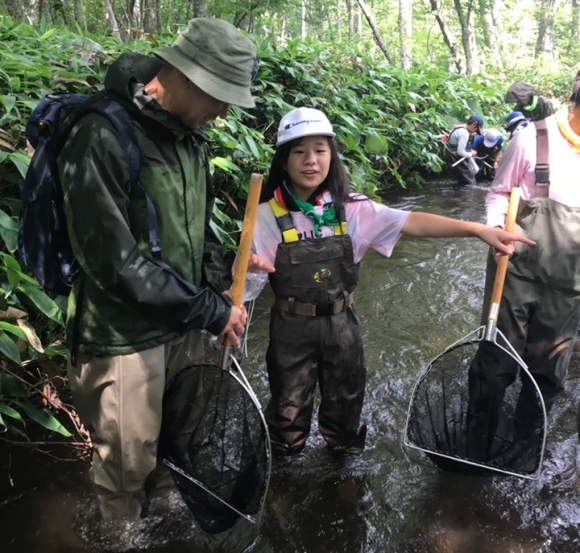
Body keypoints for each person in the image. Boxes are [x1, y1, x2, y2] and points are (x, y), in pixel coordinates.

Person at [57, 18, 260, 520]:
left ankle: (167, 529)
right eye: (220, 97)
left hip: (180, 326)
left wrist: (222, 281)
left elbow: (190, 236)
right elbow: (113, 261)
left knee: (173, 449)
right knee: (126, 468)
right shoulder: (100, 134)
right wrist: (209, 310)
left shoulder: (190, 140)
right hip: (121, 338)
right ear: (187, 78)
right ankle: (122, 537)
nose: (224, 111)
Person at [250, 106, 534, 457]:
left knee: (346, 414)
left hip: (342, 325)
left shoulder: (352, 208)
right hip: (289, 328)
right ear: (284, 159)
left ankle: (344, 479)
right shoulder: (264, 215)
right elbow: (246, 284)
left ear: (332, 156)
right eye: (299, 151)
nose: (311, 161)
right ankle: (283, 480)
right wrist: (238, 292)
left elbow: (412, 222)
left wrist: (477, 230)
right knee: (286, 416)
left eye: (320, 150)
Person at [470, 71, 580, 463]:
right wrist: (501, 226)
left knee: (550, 372)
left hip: (569, 284)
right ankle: (478, 445)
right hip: (515, 268)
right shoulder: (532, 136)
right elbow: (499, 192)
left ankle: (525, 447)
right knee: (496, 361)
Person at [444, 114, 484, 185]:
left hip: (451, 159)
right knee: (470, 185)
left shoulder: (458, 127)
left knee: (462, 183)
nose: (474, 132)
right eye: (476, 129)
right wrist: (472, 153)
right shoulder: (464, 133)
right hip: (457, 160)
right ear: (474, 124)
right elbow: (460, 152)